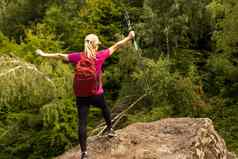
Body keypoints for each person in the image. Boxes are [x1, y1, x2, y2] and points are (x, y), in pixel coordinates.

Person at [35, 31, 135, 159]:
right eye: (97, 44)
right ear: (95, 45)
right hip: (96, 93)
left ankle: (84, 153)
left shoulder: (78, 57)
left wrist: (43, 54)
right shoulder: (100, 56)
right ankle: (110, 129)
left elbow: (60, 55)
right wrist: (129, 37)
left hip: (81, 96)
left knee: (82, 122)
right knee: (104, 108)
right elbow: (116, 45)